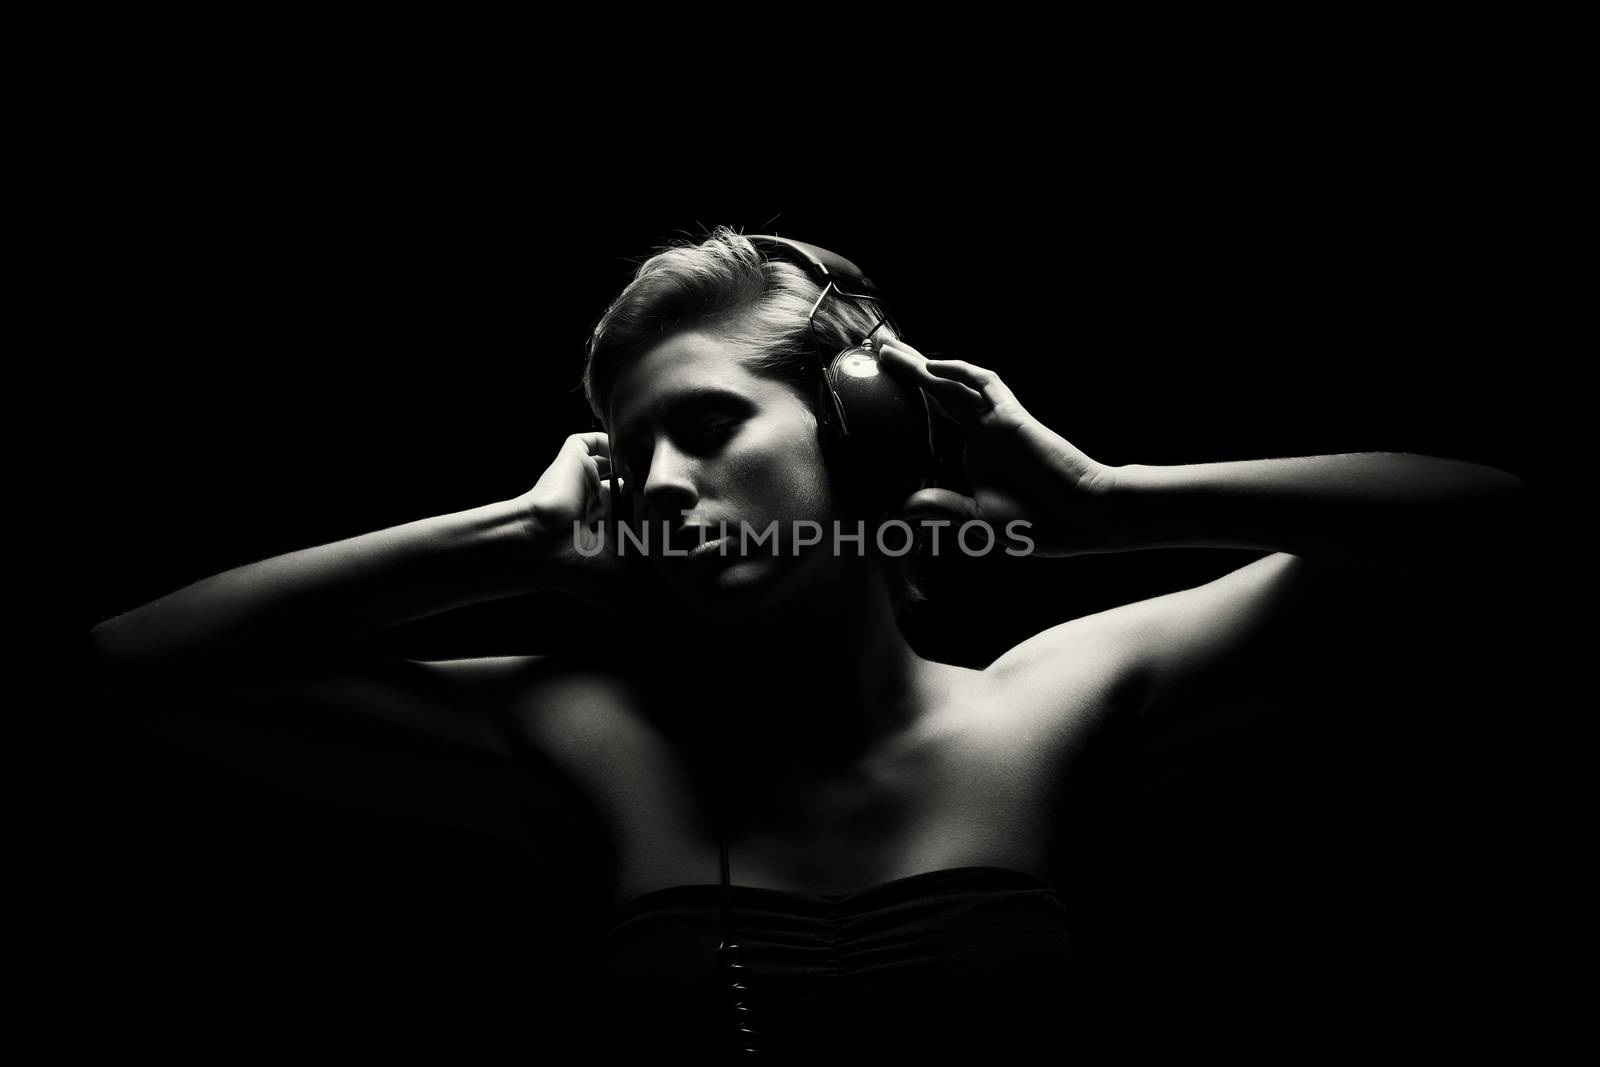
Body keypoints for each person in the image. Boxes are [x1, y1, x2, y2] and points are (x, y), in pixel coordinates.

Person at [87, 226, 1528, 1055]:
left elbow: (1499, 528)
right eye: (628, 454)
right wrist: (518, 539)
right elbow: (129, 665)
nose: (656, 486)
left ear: (865, 433)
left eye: (707, 427)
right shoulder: (588, 737)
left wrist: (1106, 503)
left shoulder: (1048, 704)